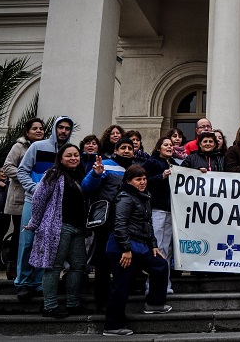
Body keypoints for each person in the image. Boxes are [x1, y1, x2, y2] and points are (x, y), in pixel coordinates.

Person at [103, 165, 171, 336]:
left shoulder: (145, 196)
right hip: (123, 247)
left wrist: (154, 245)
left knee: (160, 265)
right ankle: (112, 326)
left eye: (144, 179)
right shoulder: (125, 197)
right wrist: (125, 249)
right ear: (128, 181)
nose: (142, 182)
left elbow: (148, 225)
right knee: (121, 285)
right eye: (138, 179)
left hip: (142, 246)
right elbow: (119, 225)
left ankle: (154, 304)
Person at [16, 116, 74, 301]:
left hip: (55, 205)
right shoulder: (37, 147)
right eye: (61, 127)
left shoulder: (69, 152)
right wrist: (36, 189)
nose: (63, 131)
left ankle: (40, 283)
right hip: (32, 201)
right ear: (55, 128)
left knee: (47, 243)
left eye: (67, 128)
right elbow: (22, 171)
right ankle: (23, 282)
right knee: (27, 242)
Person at [26, 144, 87, 318]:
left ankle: (73, 303)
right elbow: (38, 198)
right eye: (69, 155)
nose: (74, 158)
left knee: (78, 266)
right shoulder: (53, 175)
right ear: (60, 158)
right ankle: (50, 306)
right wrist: (34, 223)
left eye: (76, 155)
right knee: (53, 267)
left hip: (78, 228)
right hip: (58, 227)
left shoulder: (81, 175)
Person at [82, 137, 135, 313]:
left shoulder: (134, 169)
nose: (127, 150)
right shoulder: (104, 164)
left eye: (130, 148)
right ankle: (102, 302)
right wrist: (96, 174)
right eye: (123, 148)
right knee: (103, 264)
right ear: (116, 150)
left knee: (124, 264)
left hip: (127, 224)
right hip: (106, 223)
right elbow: (86, 186)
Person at [3, 117, 44, 280]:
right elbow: (7, 167)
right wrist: (27, 176)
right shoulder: (19, 147)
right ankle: (13, 266)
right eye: (35, 128)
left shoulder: (44, 148)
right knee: (20, 234)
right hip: (19, 198)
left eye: (41, 128)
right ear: (27, 132)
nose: (39, 131)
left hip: (39, 198)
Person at [142, 137, 174, 293]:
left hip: (170, 211)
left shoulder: (174, 163)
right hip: (157, 210)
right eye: (166, 144)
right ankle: (152, 285)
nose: (169, 147)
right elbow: (144, 181)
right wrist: (161, 177)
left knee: (166, 249)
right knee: (157, 247)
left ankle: (165, 284)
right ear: (159, 147)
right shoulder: (152, 162)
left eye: (171, 145)